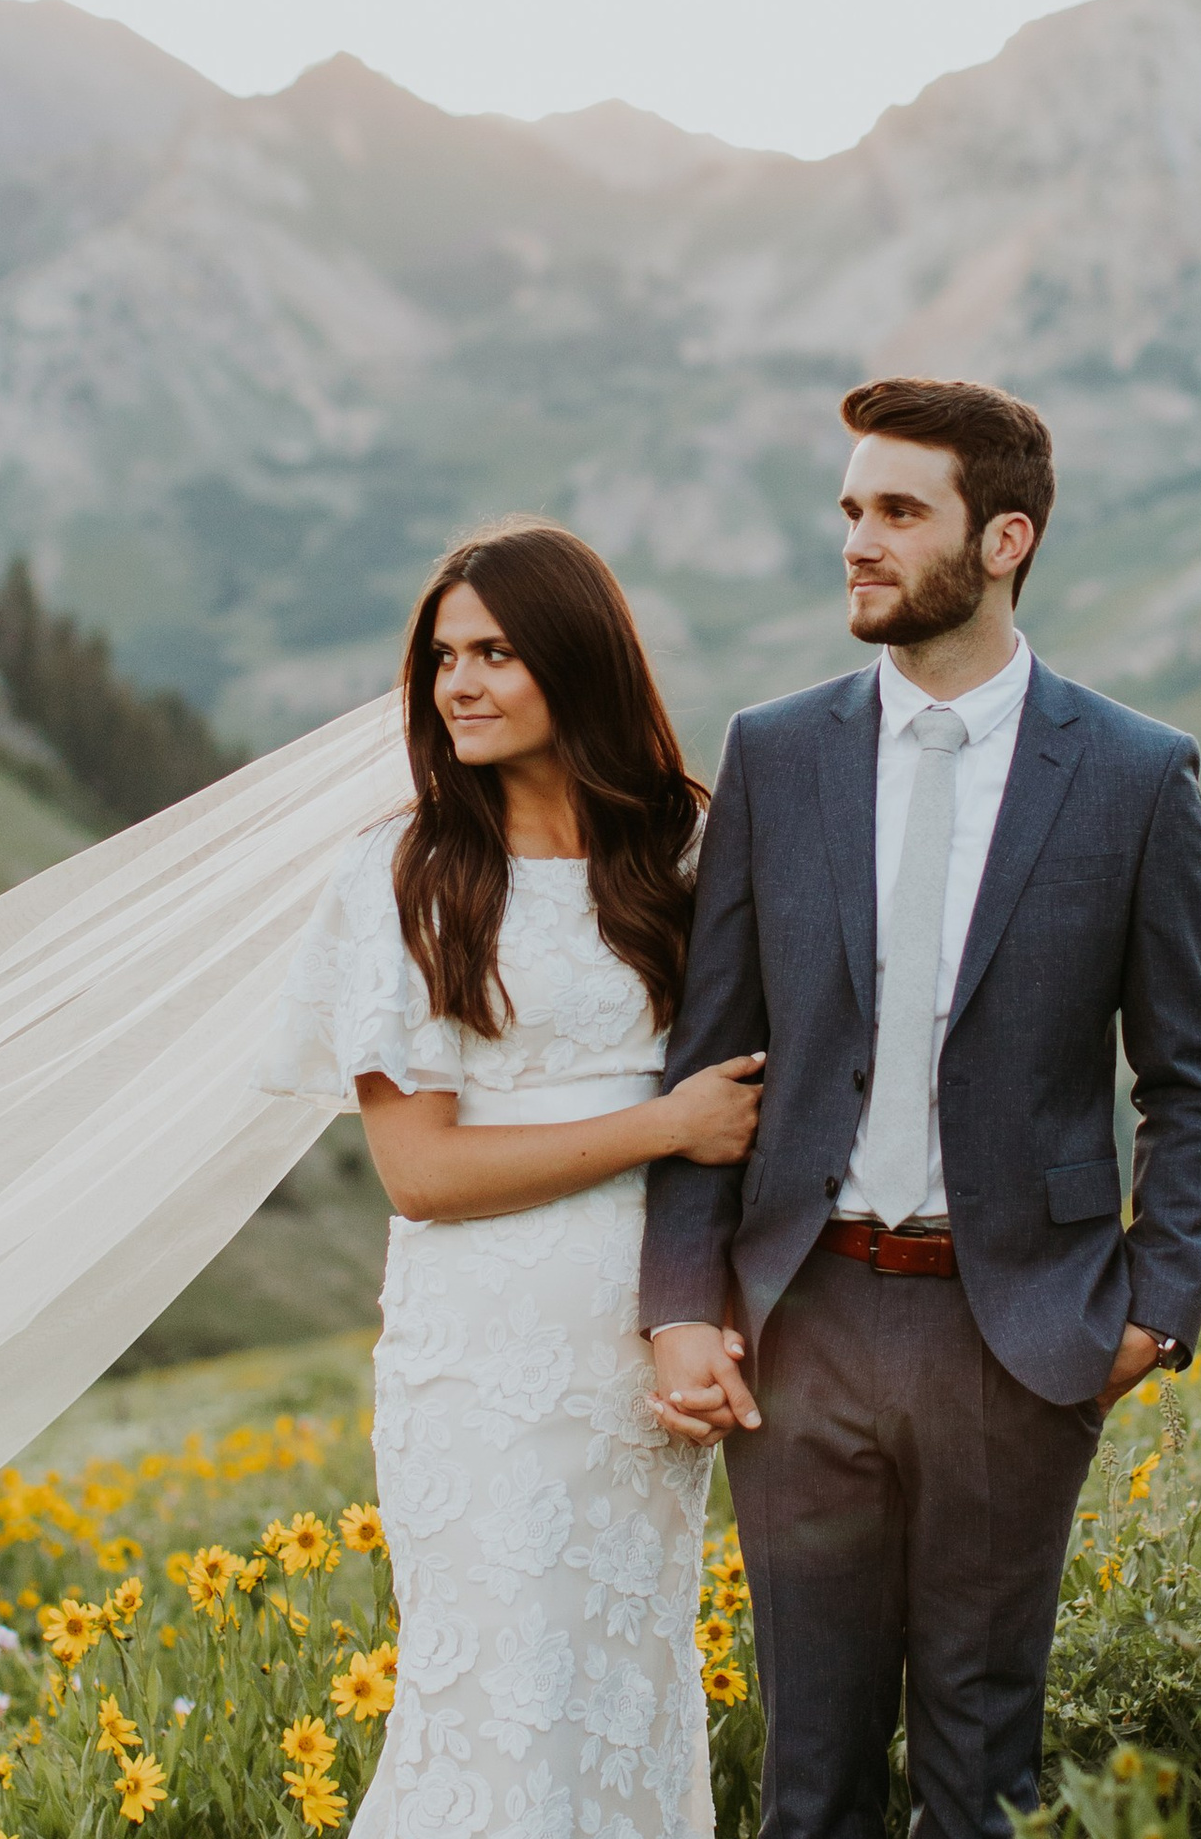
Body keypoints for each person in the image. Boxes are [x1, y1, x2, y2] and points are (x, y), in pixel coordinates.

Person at [640, 378, 1201, 1839]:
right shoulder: (774, 756)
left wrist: (1154, 1313)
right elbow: (709, 1056)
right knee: (811, 1784)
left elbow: (1190, 1080)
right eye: (851, 509)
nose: (858, 540)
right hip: (808, 1324)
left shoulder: (1136, 775)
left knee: (983, 1784)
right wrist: (681, 1302)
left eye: (898, 512)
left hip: (1016, 1335)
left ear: (1006, 538)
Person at [259, 519, 765, 1839]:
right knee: (495, 1712)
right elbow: (419, 1170)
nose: (460, 685)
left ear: (577, 662)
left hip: (644, 1358)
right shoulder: (405, 875)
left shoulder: (687, 848)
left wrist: (703, 1310)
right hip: (480, 1361)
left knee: (628, 1693)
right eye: (442, 659)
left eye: (495, 652)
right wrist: (667, 1128)